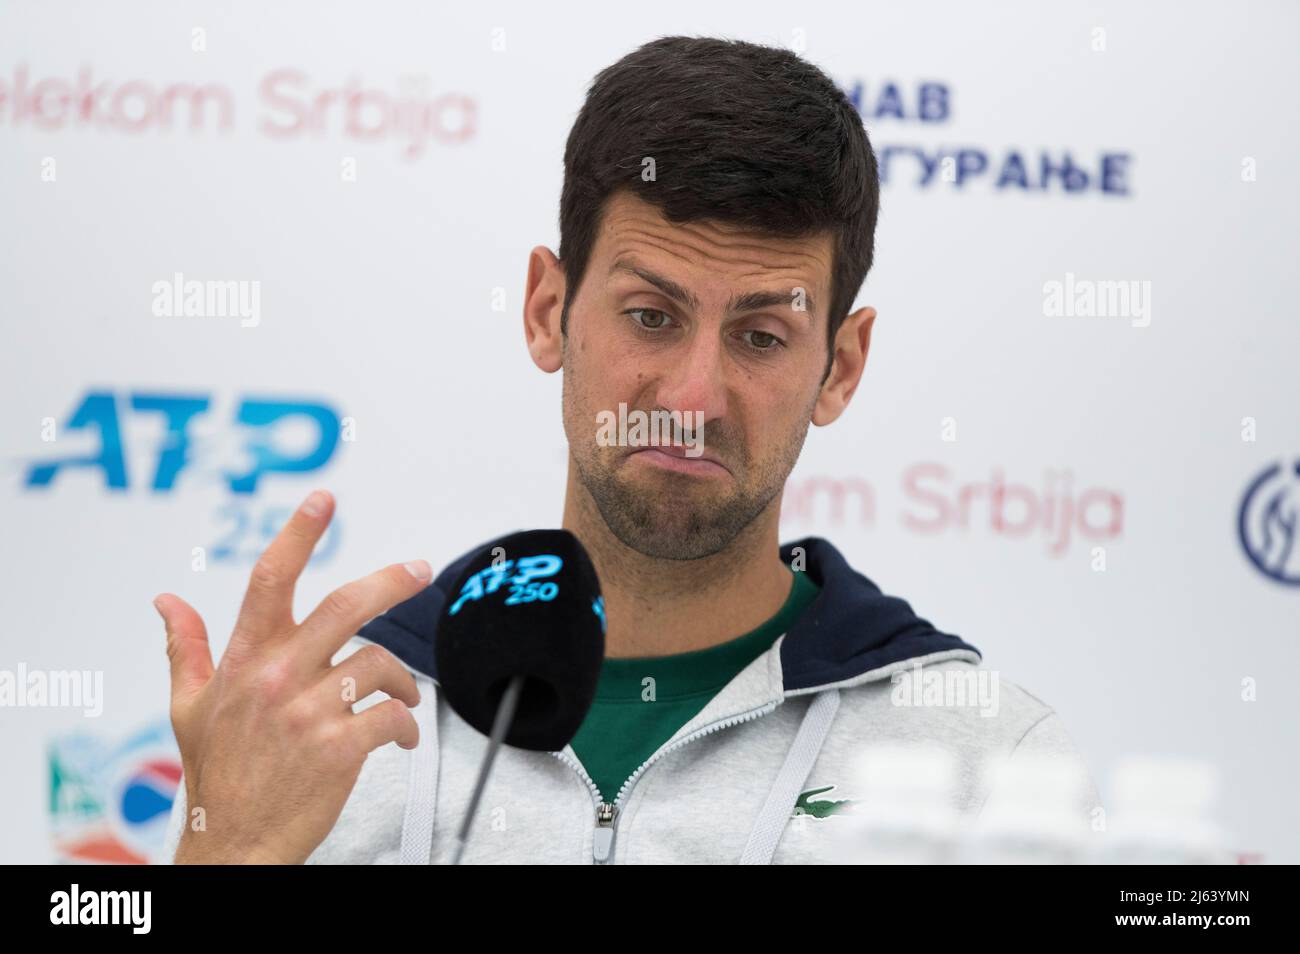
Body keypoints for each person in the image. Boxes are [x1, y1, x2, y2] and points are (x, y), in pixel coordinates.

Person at [158, 35, 1098, 865]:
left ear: (840, 367)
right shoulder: (322, 732)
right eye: (651, 317)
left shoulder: (990, 769)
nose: (692, 398)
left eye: (761, 336)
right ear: (547, 311)